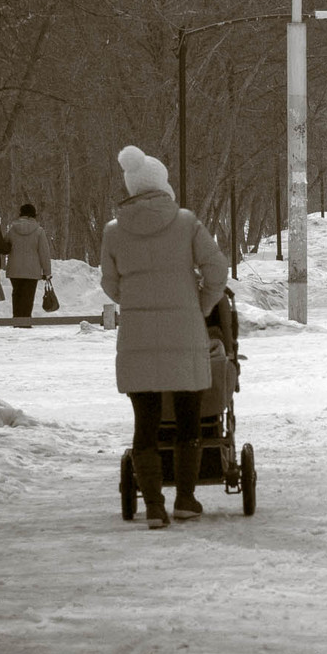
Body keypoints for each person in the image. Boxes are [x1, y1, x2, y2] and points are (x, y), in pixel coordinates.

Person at [101, 145, 227, 528]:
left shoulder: (113, 231)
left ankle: (153, 506)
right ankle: (185, 499)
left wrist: (136, 303)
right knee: (189, 417)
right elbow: (216, 269)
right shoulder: (186, 223)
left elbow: (110, 284)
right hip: (185, 333)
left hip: (137, 338)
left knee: (146, 422)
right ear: (162, 185)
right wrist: (200, 305)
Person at [5, 202, 54, 318]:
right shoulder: (39, 231)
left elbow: (5, 246)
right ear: (33, 215)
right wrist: (47, 272)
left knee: (16, 294)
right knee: (28, 296)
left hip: (14, 269)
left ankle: (16, 320)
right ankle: (26, 321)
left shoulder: (12, 229)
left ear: (21, 214)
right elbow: (44, 253)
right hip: (32, 270)